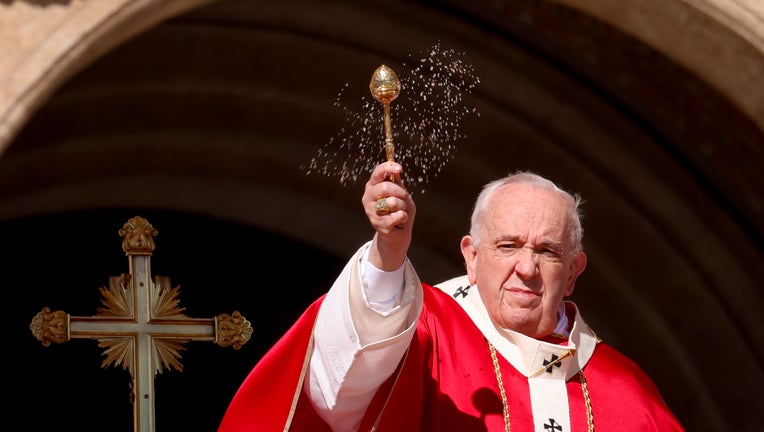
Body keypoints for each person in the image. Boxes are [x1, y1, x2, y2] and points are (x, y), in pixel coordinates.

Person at [219, 161, 684, 431]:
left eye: (547, 252)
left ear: (574, 273)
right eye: (507, 246)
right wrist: (389, 253)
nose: (526, 268)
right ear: (471, 255)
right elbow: (339, 390)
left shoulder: (629, 395)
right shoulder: (424, 330)